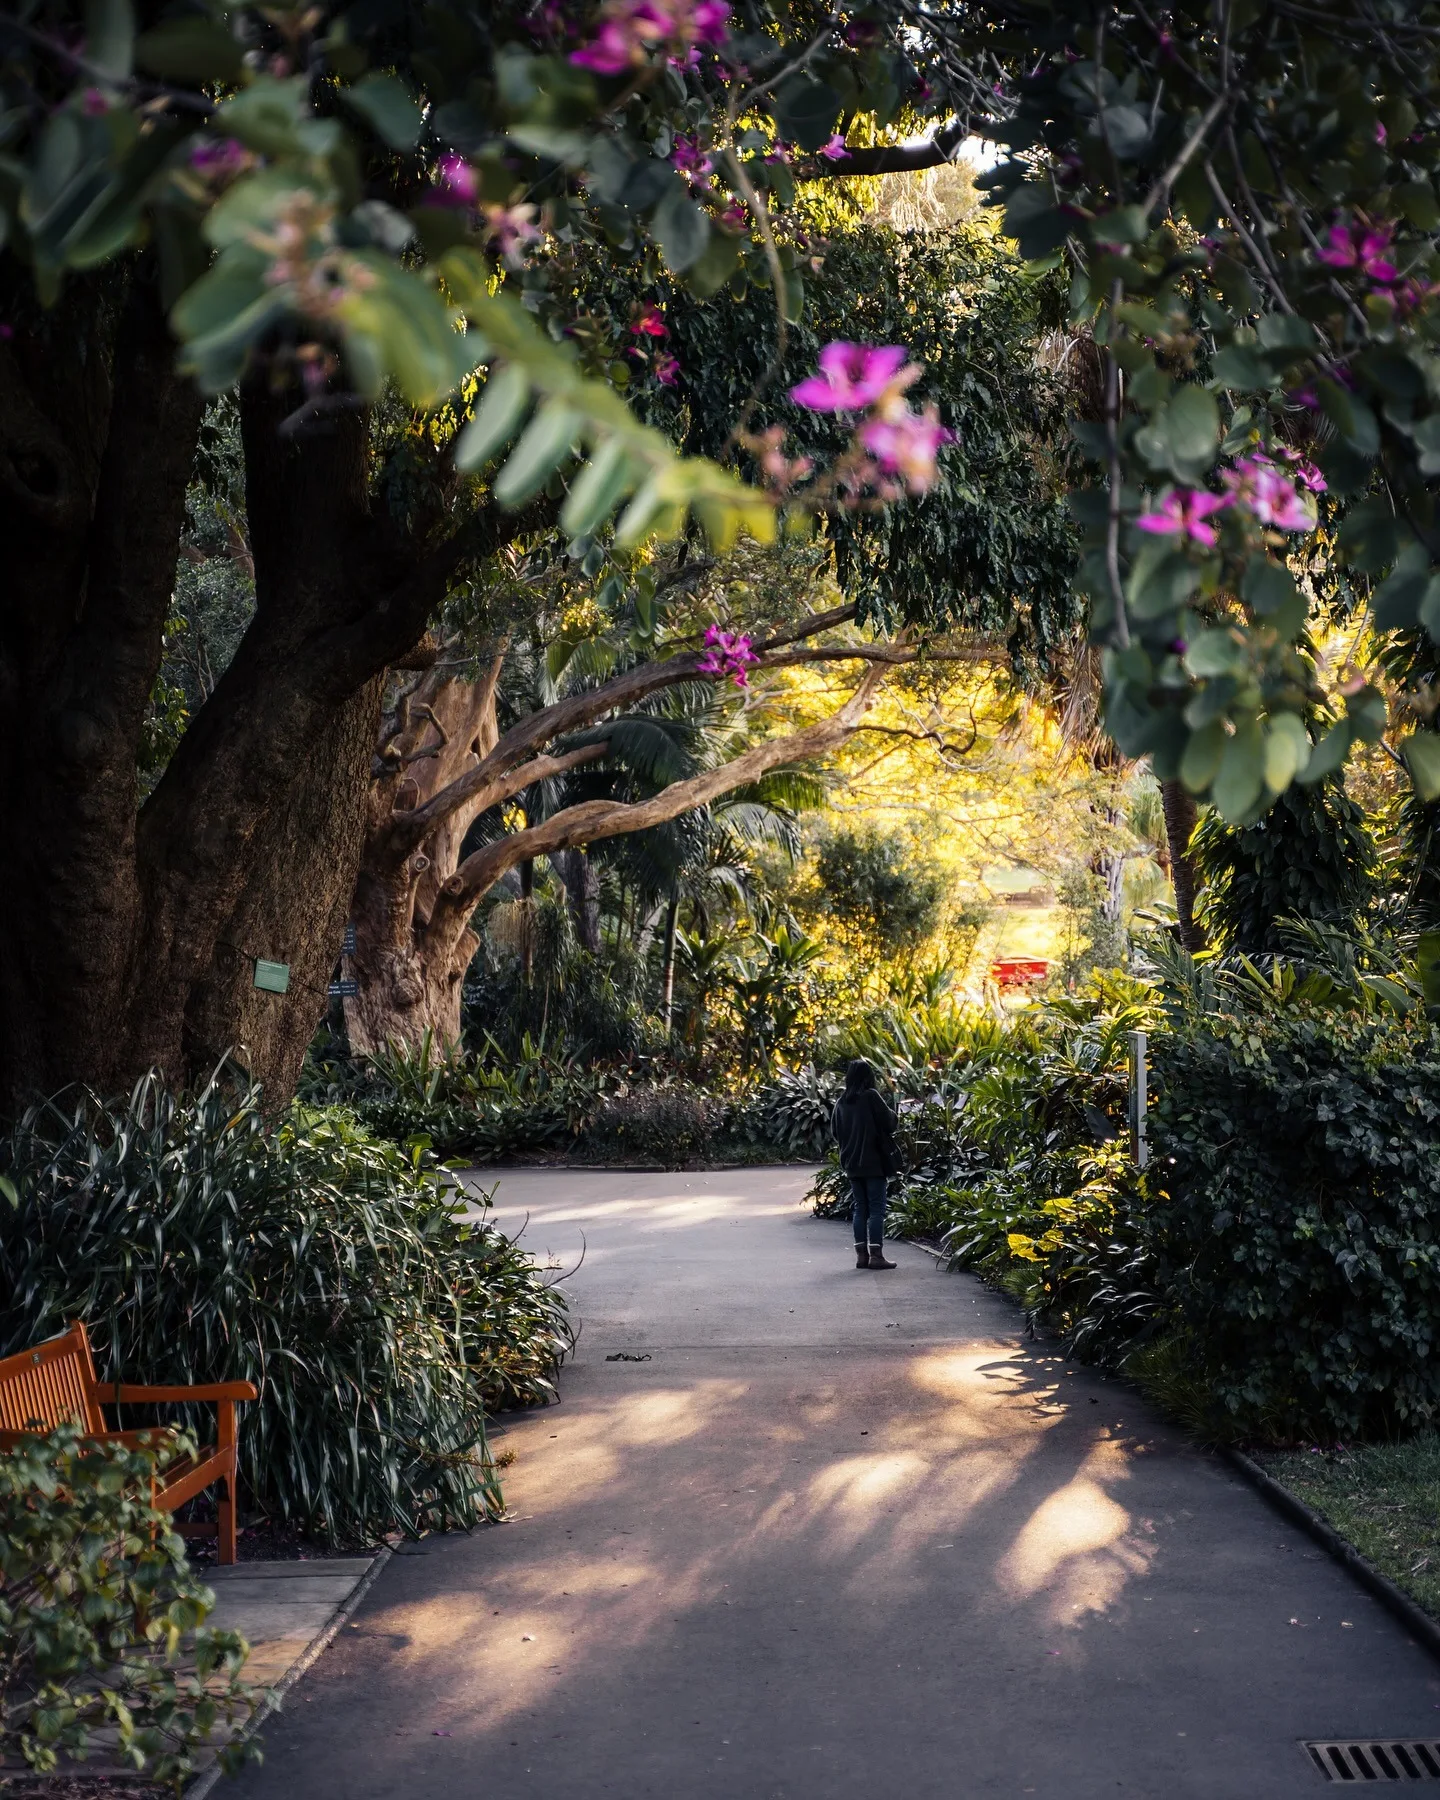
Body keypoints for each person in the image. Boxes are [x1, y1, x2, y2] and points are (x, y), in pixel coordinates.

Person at [831, 1058, 899, 1269]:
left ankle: (861, 1256)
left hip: (851, 1163)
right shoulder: (871, 1096)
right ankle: (877, 1256)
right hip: (874, 1162)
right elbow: (889, 1123)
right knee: (877, 1209)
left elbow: (835, 1133)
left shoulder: (841, 1102)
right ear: (869, 1076)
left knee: (860, 1208)